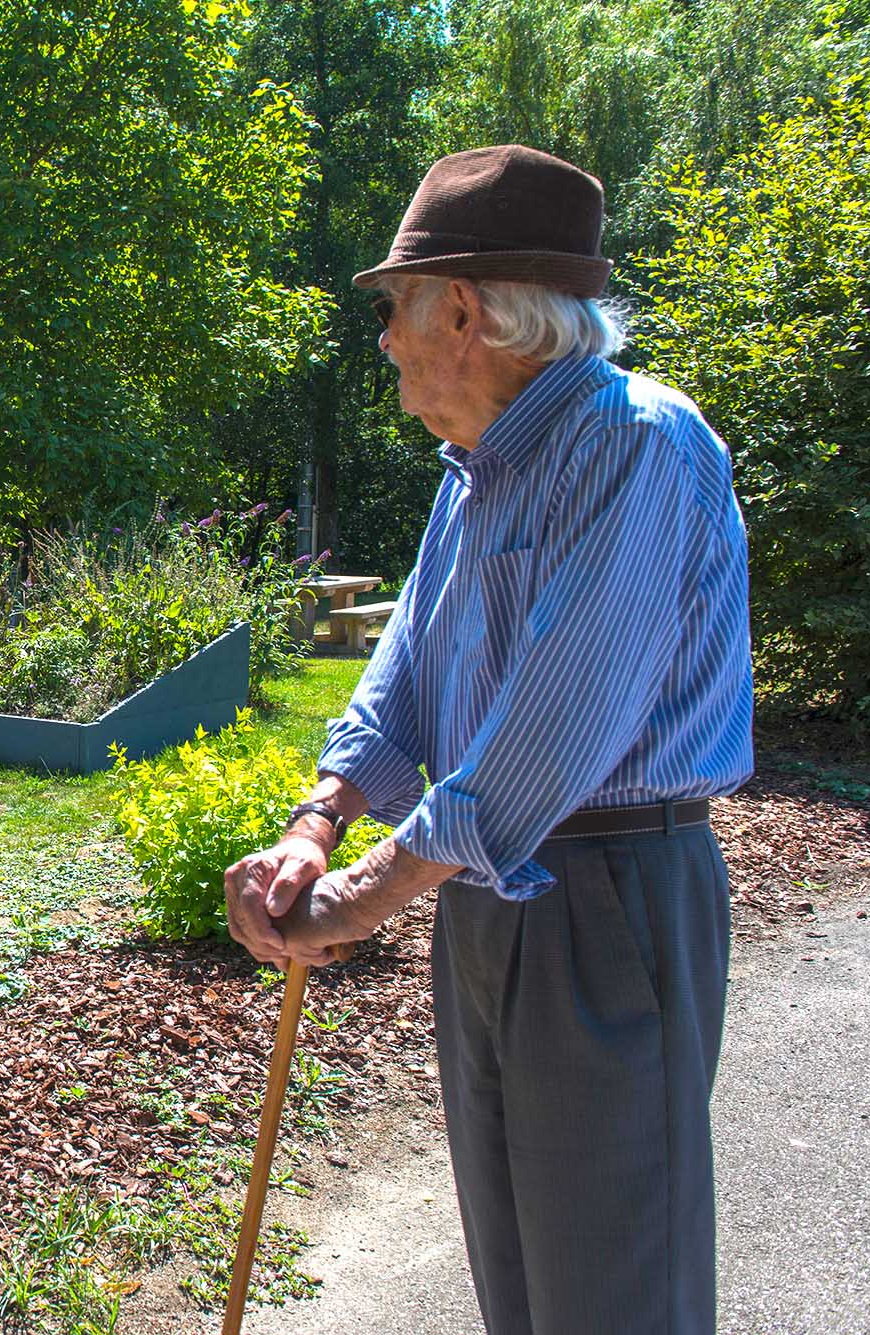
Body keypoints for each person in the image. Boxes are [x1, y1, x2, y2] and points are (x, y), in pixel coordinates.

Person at [223, 144, 753, 1335]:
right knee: (517, 1270)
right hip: (485, 889)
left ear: (462, 309)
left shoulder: (632, 443)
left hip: (605, 890)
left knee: (613, 1282)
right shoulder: (474, 469)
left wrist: (363, 895)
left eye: (396, 308)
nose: (384, 341)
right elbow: (404, 667)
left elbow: (551, 731)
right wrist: (317, 824)